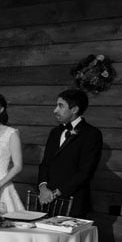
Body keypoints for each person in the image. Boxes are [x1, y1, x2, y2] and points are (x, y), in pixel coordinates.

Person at [37, 89, 103, 218]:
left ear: (74, 109)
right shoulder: (55, 132)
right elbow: (45, 163)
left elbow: (85, 172)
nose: (55, 110)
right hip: (46, 201)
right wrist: (43, 189)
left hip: (73, 203)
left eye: (61, 106)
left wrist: (55, 193)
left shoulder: (91, 134)